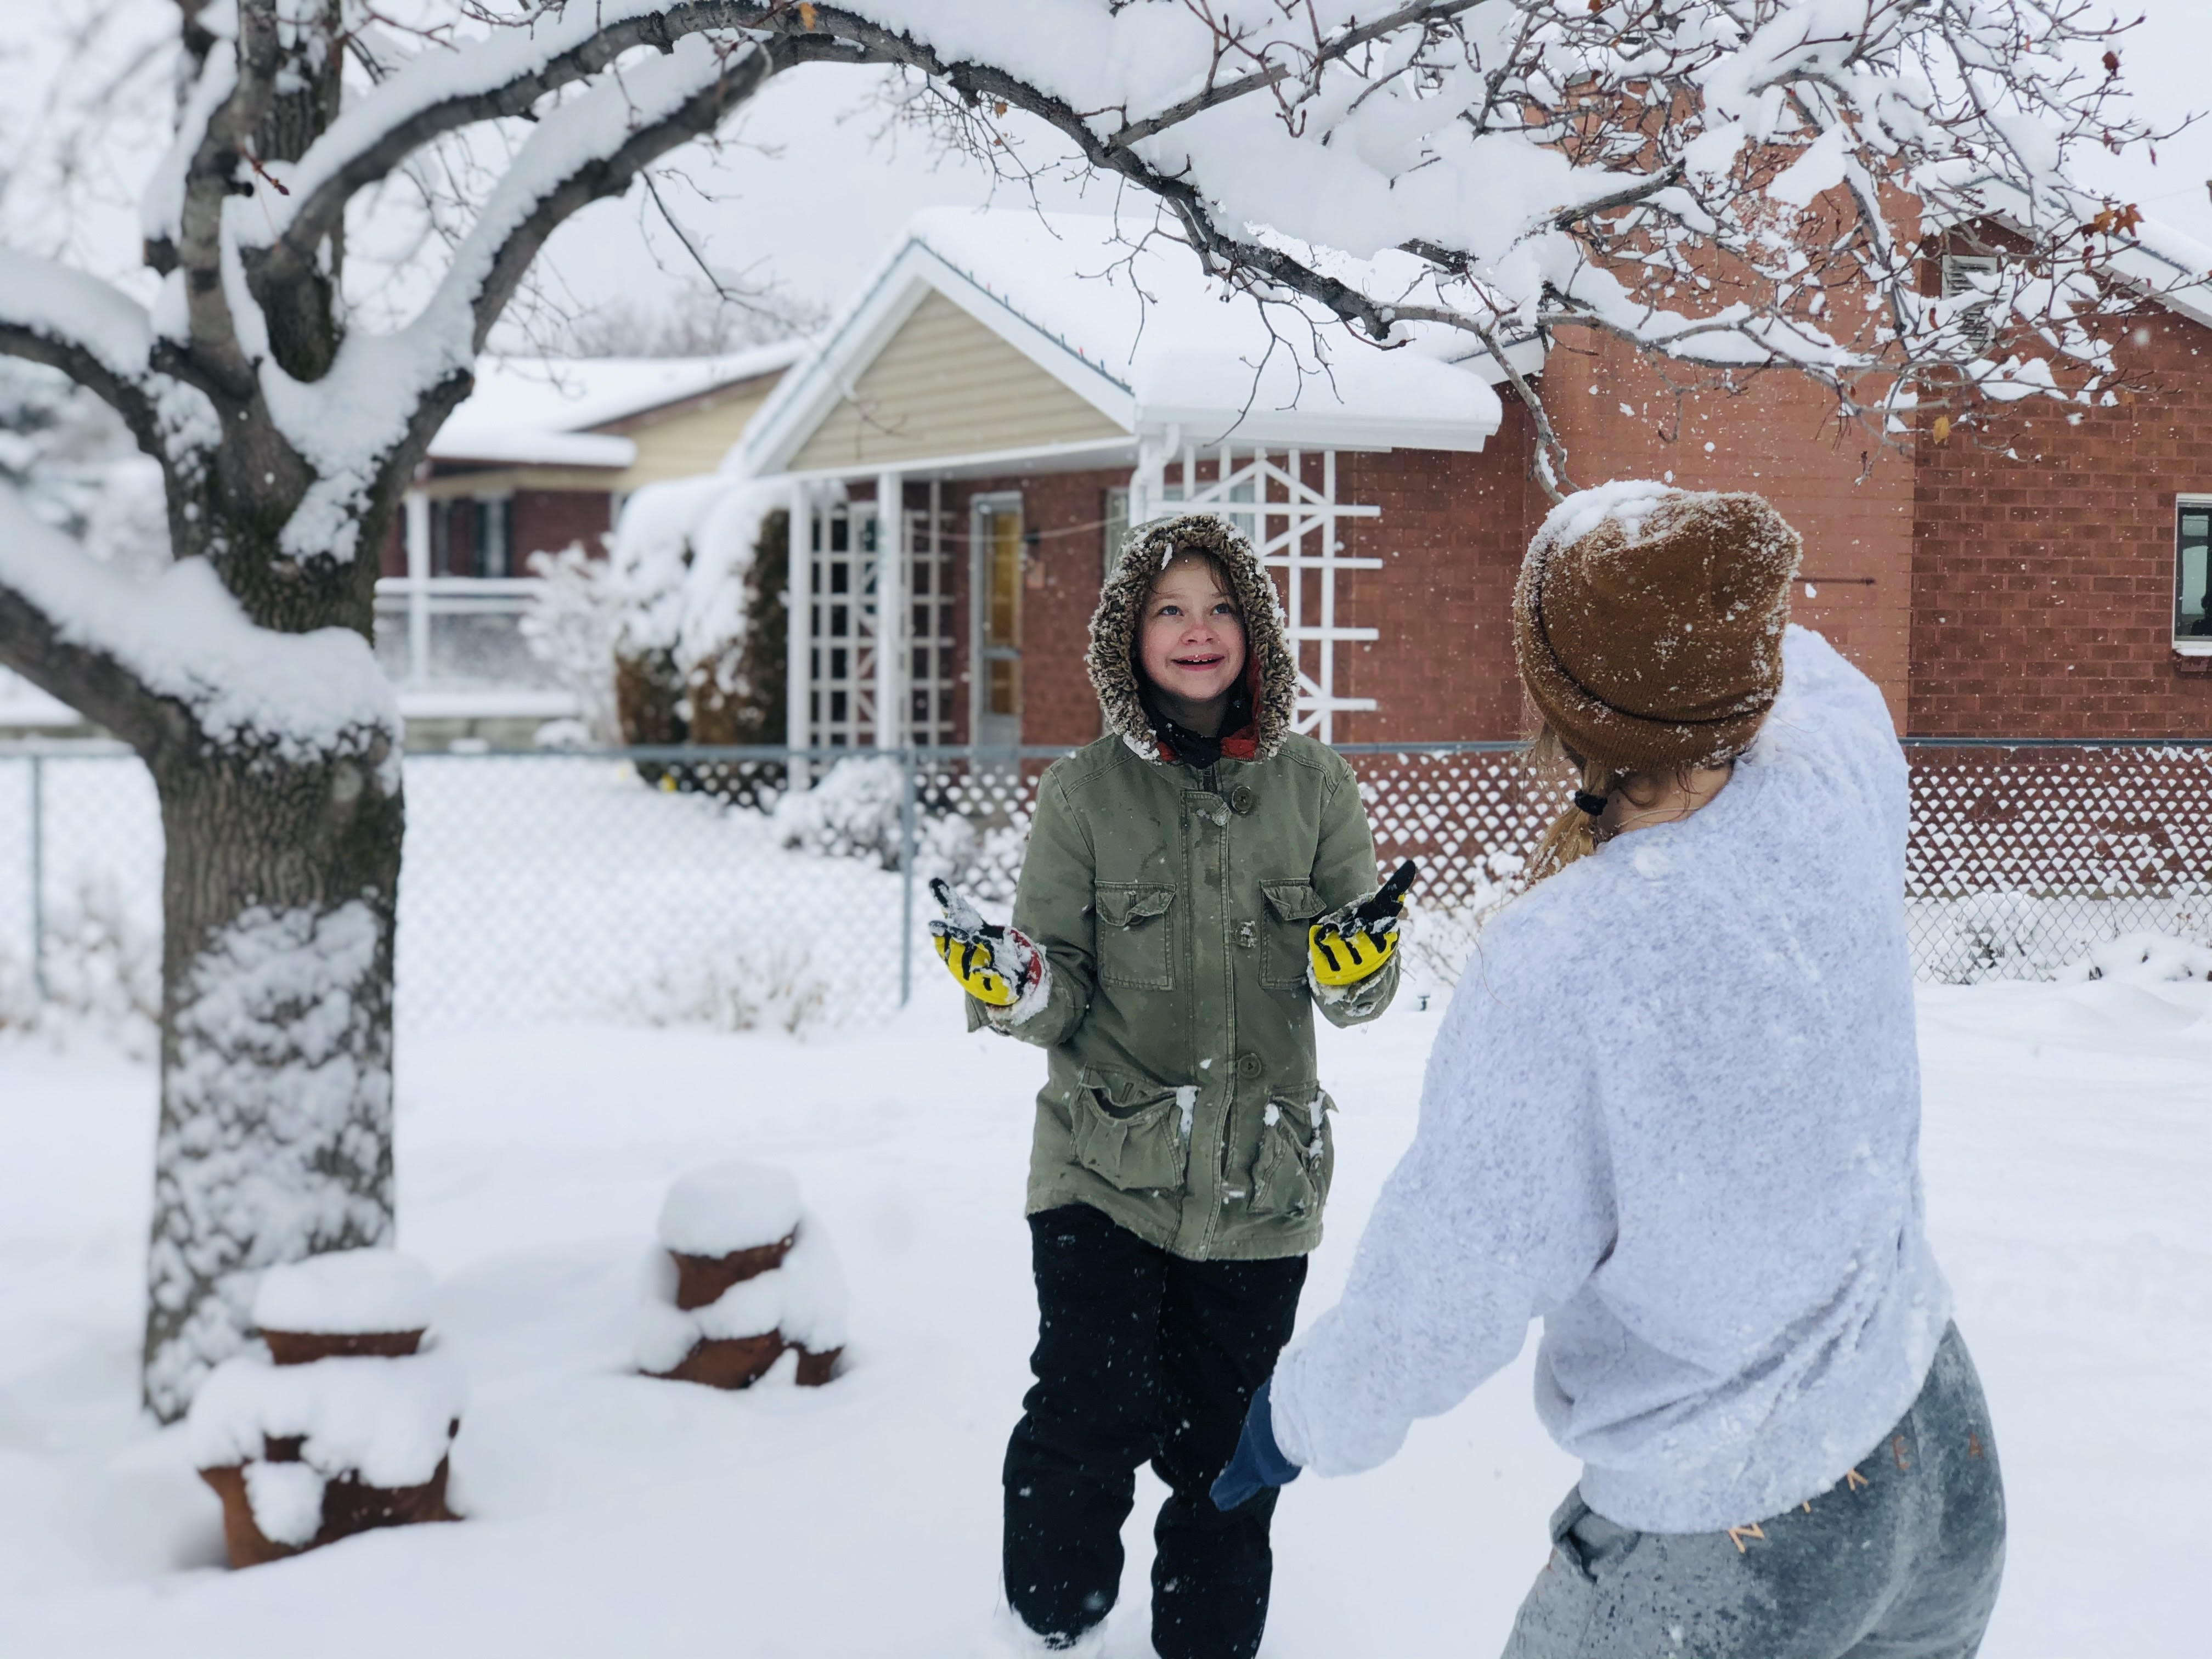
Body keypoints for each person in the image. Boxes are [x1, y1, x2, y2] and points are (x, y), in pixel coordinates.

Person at [1212, 483, 2007, 1658]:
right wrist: (1680, 579)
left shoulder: (1571, 958)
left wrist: (1299, 1420)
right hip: (1937, 1447)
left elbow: (1452, 1279)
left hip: (1735, 1532)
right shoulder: (1832, 764)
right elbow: (1767, 653)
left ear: (1562, 713)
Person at [931, 512, 1404, 1658]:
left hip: (1261, 1192)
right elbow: (1062, 988)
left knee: (1231, 1453)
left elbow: (1355, 991)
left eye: (1221, 608)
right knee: (1090, 1415)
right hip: (1104, 1172)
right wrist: (1012, 981)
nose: (1198, 634)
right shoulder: (1084, 795)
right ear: (1129, 639)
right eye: (1169, 611)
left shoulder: (1315, 787)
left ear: (1255, 631)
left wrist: (1358, 963)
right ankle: (1051, 1632)